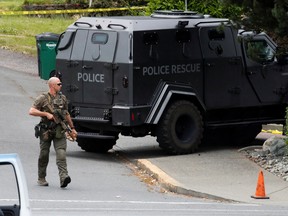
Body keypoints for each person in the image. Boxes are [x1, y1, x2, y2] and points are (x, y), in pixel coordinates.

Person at [29, 77, 77, 188]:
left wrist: (72, 128)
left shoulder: (63, 98)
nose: (61, 85)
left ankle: (64, 177)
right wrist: (46, 114)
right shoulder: (43, 98)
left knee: (61, 153)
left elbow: (66, 114)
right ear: (52, 86)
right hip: (46, 130)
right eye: (58, 84)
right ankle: (41, 178)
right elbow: (31, 111)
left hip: (59, 130)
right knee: (44, 154)